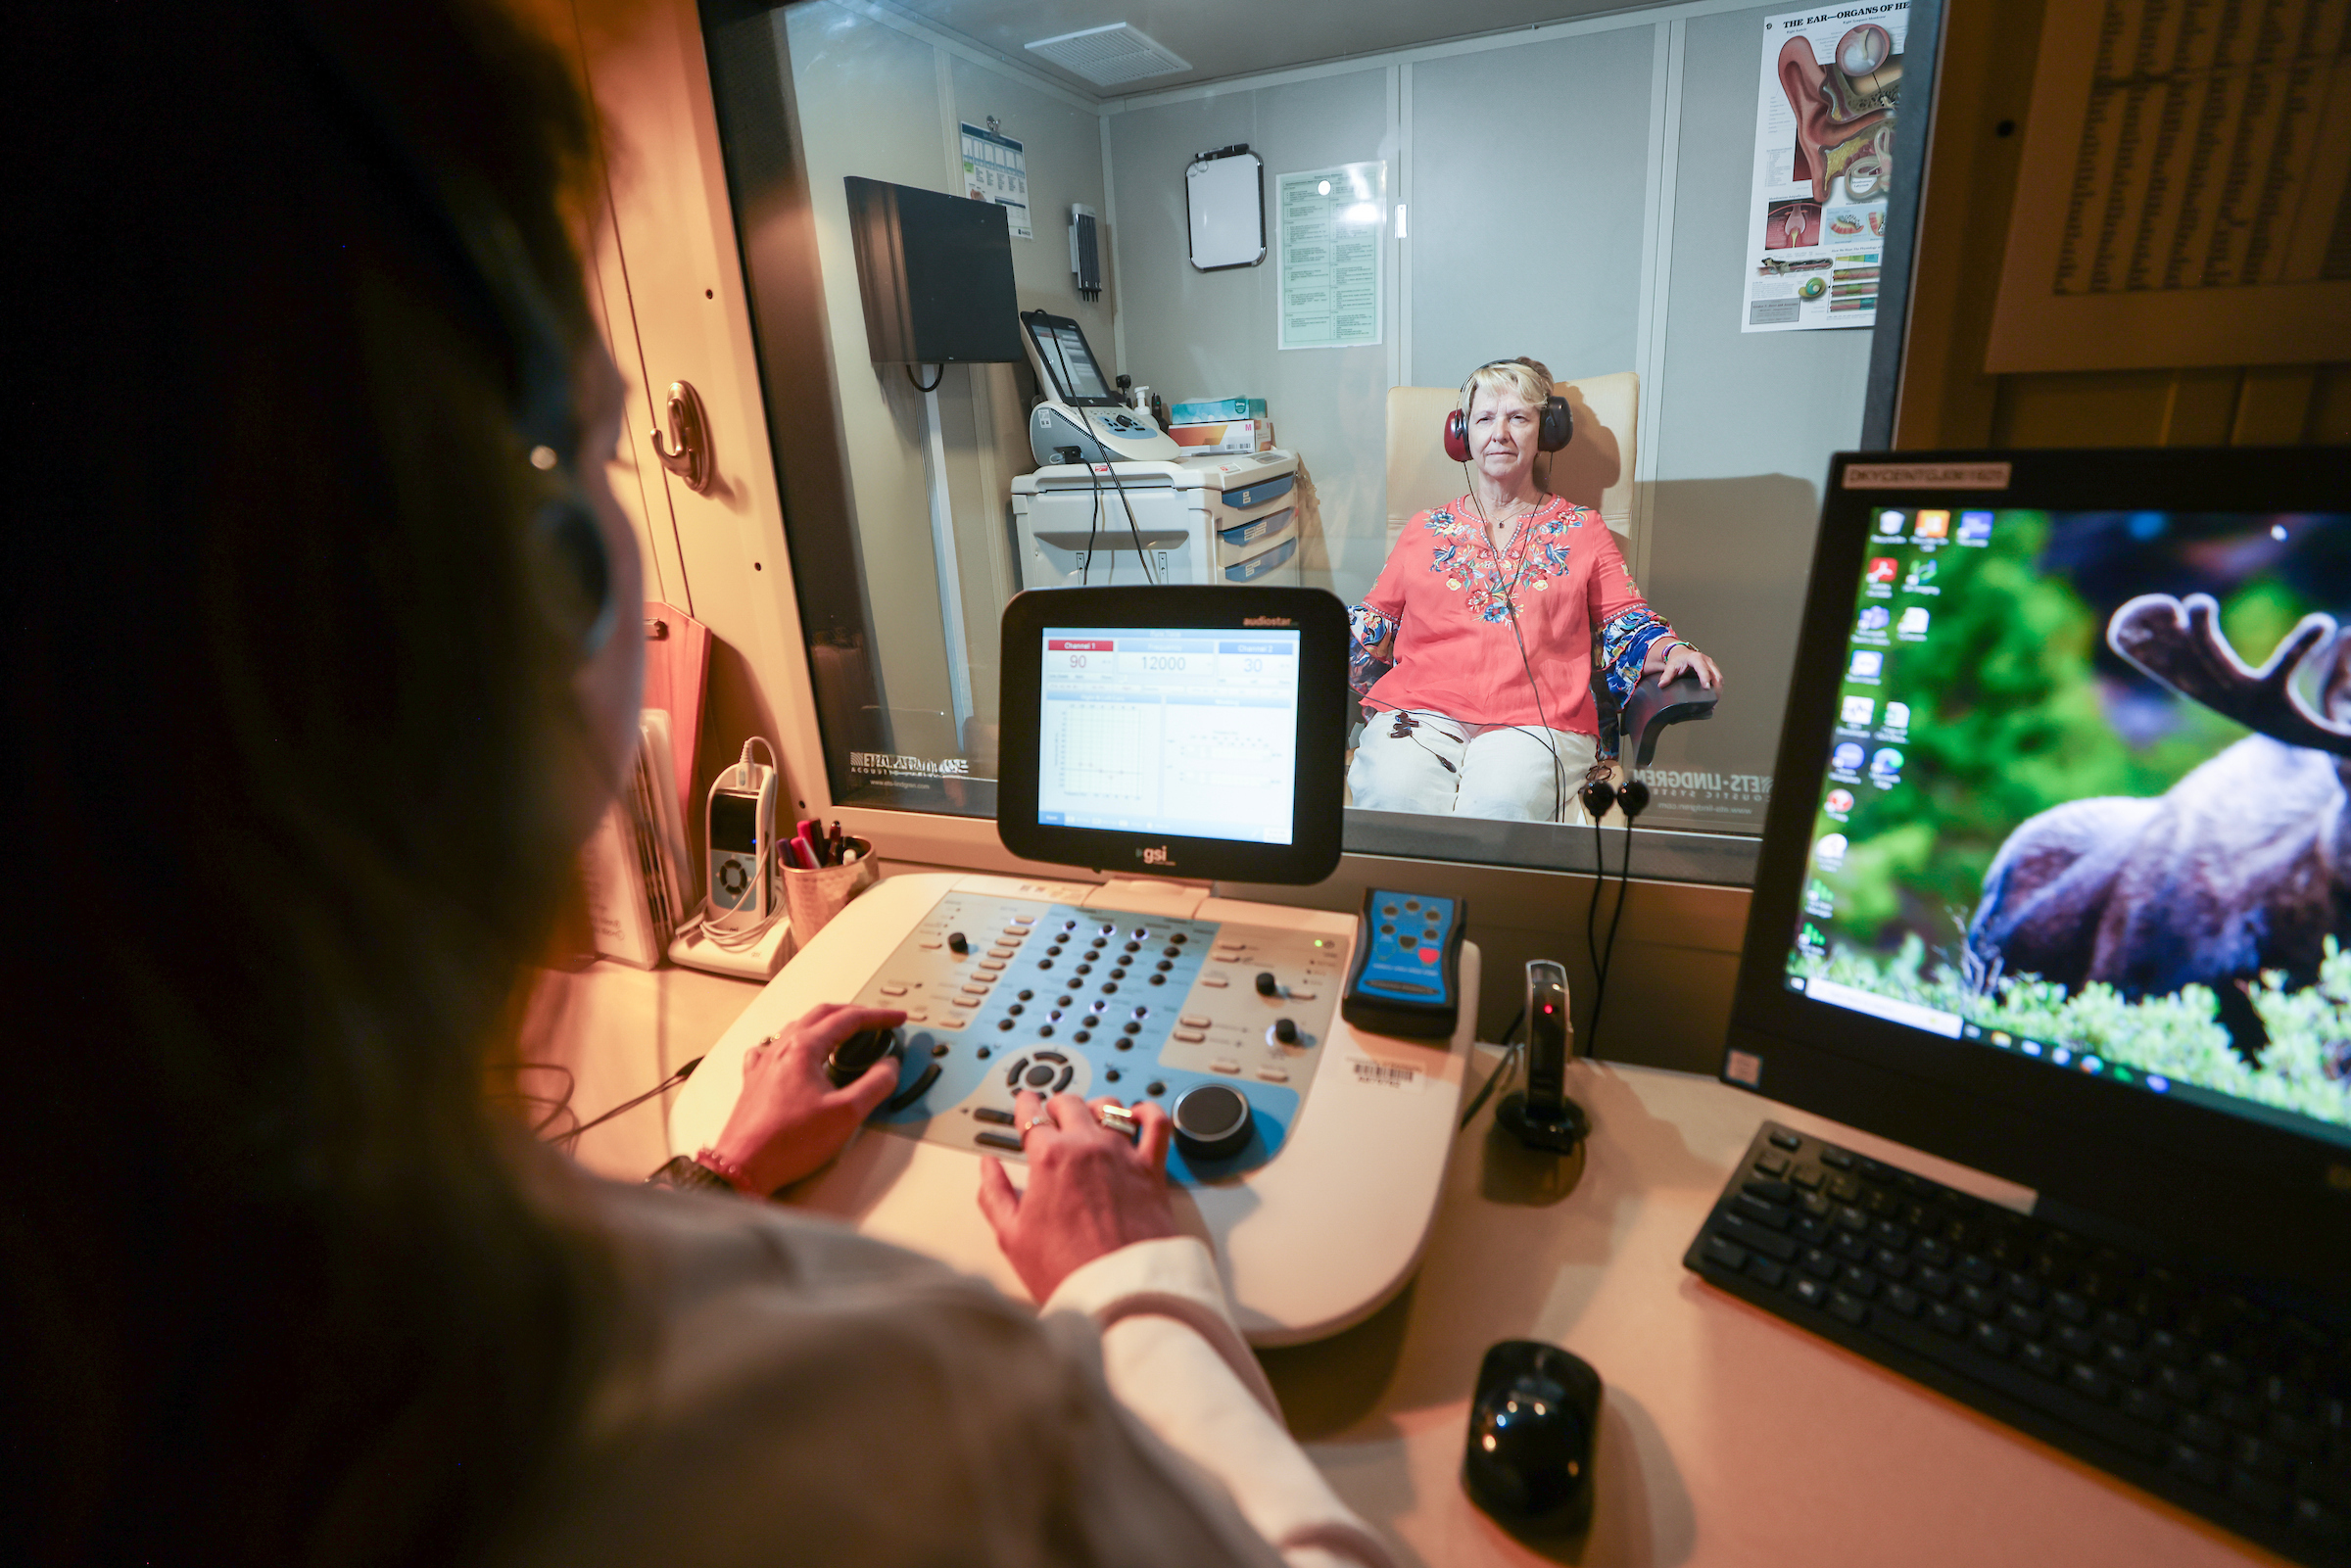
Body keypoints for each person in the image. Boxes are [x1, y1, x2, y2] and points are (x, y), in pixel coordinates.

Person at [4, 5, 1389, 1566]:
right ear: (544, 587)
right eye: (597, 456)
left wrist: (716, 1173)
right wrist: (1140, 1287)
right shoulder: (931, 1412)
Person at [1346, 357, 1723, 822]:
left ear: (1543, 432)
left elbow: (1627, 621)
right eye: (1485, 418)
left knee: (1498, 809)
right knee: (1392, 799)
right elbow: (1370, 626)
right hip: (1421, 713)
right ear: (1463, 435)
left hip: (1538, 720)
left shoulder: (1582, 528)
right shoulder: (1424, 528)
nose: (1499, 432)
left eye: (1517, 418)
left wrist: (1674, 649)